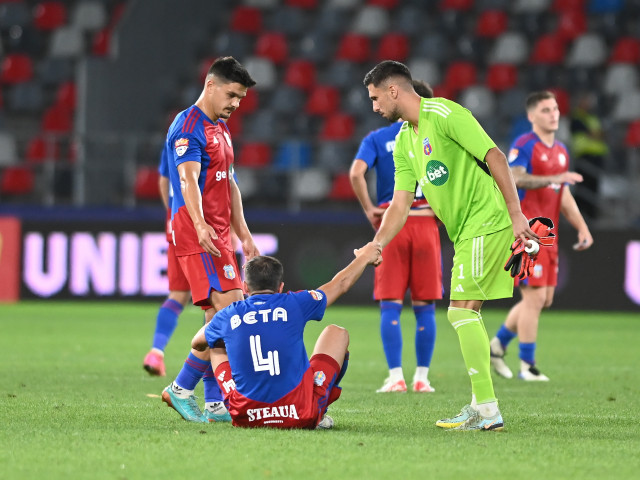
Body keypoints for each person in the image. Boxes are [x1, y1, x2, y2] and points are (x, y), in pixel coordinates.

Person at [361, 60, 538, 431]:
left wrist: (517, 214)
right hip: (464, 231)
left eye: (376, 98)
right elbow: (400, 203)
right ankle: (480, 404)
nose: (374, 107)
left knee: (460, 312)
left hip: (486, 221)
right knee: (466, 311)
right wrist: (377, 243)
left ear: (394, 90)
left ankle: (488, 410)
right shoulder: (406, 140)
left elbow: (495, 156)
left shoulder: (444, 113)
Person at [160, 56, 260, 423]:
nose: (235, 104)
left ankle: (216, 402)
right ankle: (182, 388)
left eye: (241, 99)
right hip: (197, 232)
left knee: (216, 316)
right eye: (232, 95)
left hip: (219, 233)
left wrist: (244, 234)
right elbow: (187, 180)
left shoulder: (221, 127)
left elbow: (229, 183)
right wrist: (201, 225)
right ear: (211, 85)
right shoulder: (188, 127)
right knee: (232, 313)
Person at [190, 243, 382, 429]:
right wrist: (364, 257)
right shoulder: (295, 303)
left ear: (245, 287)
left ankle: (212, 401)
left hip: (246, 415)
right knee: (337, 333)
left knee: (214, 342)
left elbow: (197, 343)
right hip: (299, 413)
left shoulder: (229, 313)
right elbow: (341, 284)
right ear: (280, 287)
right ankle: (320, 413)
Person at [490, 91, 594, 381]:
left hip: (551, 237)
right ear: (532, 116)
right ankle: (528, 365)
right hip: (528, 235)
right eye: (546, 110)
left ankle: (497, 344)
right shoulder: (525, 144)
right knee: (534, 300)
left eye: (556, 109)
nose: (554, 114)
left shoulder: (561, 149)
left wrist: (582, 225)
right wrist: (553, 179)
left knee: (544, 300)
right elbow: (516, 177)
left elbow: (562, 195)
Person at [349, 79, 443, 394]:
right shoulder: (438, 136)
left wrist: (369, 210)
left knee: (391, 304)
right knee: (425, 306)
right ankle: (422, 378)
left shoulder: (378, 138)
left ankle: (396, 377)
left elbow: (355, 172)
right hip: (426, 223)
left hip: (391, 224)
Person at [142, 146, 191, 377]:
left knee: (178, 294)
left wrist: (173, 214)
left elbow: (163, 180)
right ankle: (208, 366)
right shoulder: (213, 137)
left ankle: (156, 352)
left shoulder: (172, 142)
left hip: (176, 228)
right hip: (205, 228)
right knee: (217, 298)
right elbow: (226, 186)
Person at [569, 92, 609, 220]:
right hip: (584, 157)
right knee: (583, 188)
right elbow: (594, 134)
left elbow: (600, 134)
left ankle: (591, 215)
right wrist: (597, 134)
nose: (589, 104)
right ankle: (580, 215)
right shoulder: (577, 118)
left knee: (593, 187)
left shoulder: (591, 118)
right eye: (585, 100)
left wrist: (597, 134)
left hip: (596, 156)